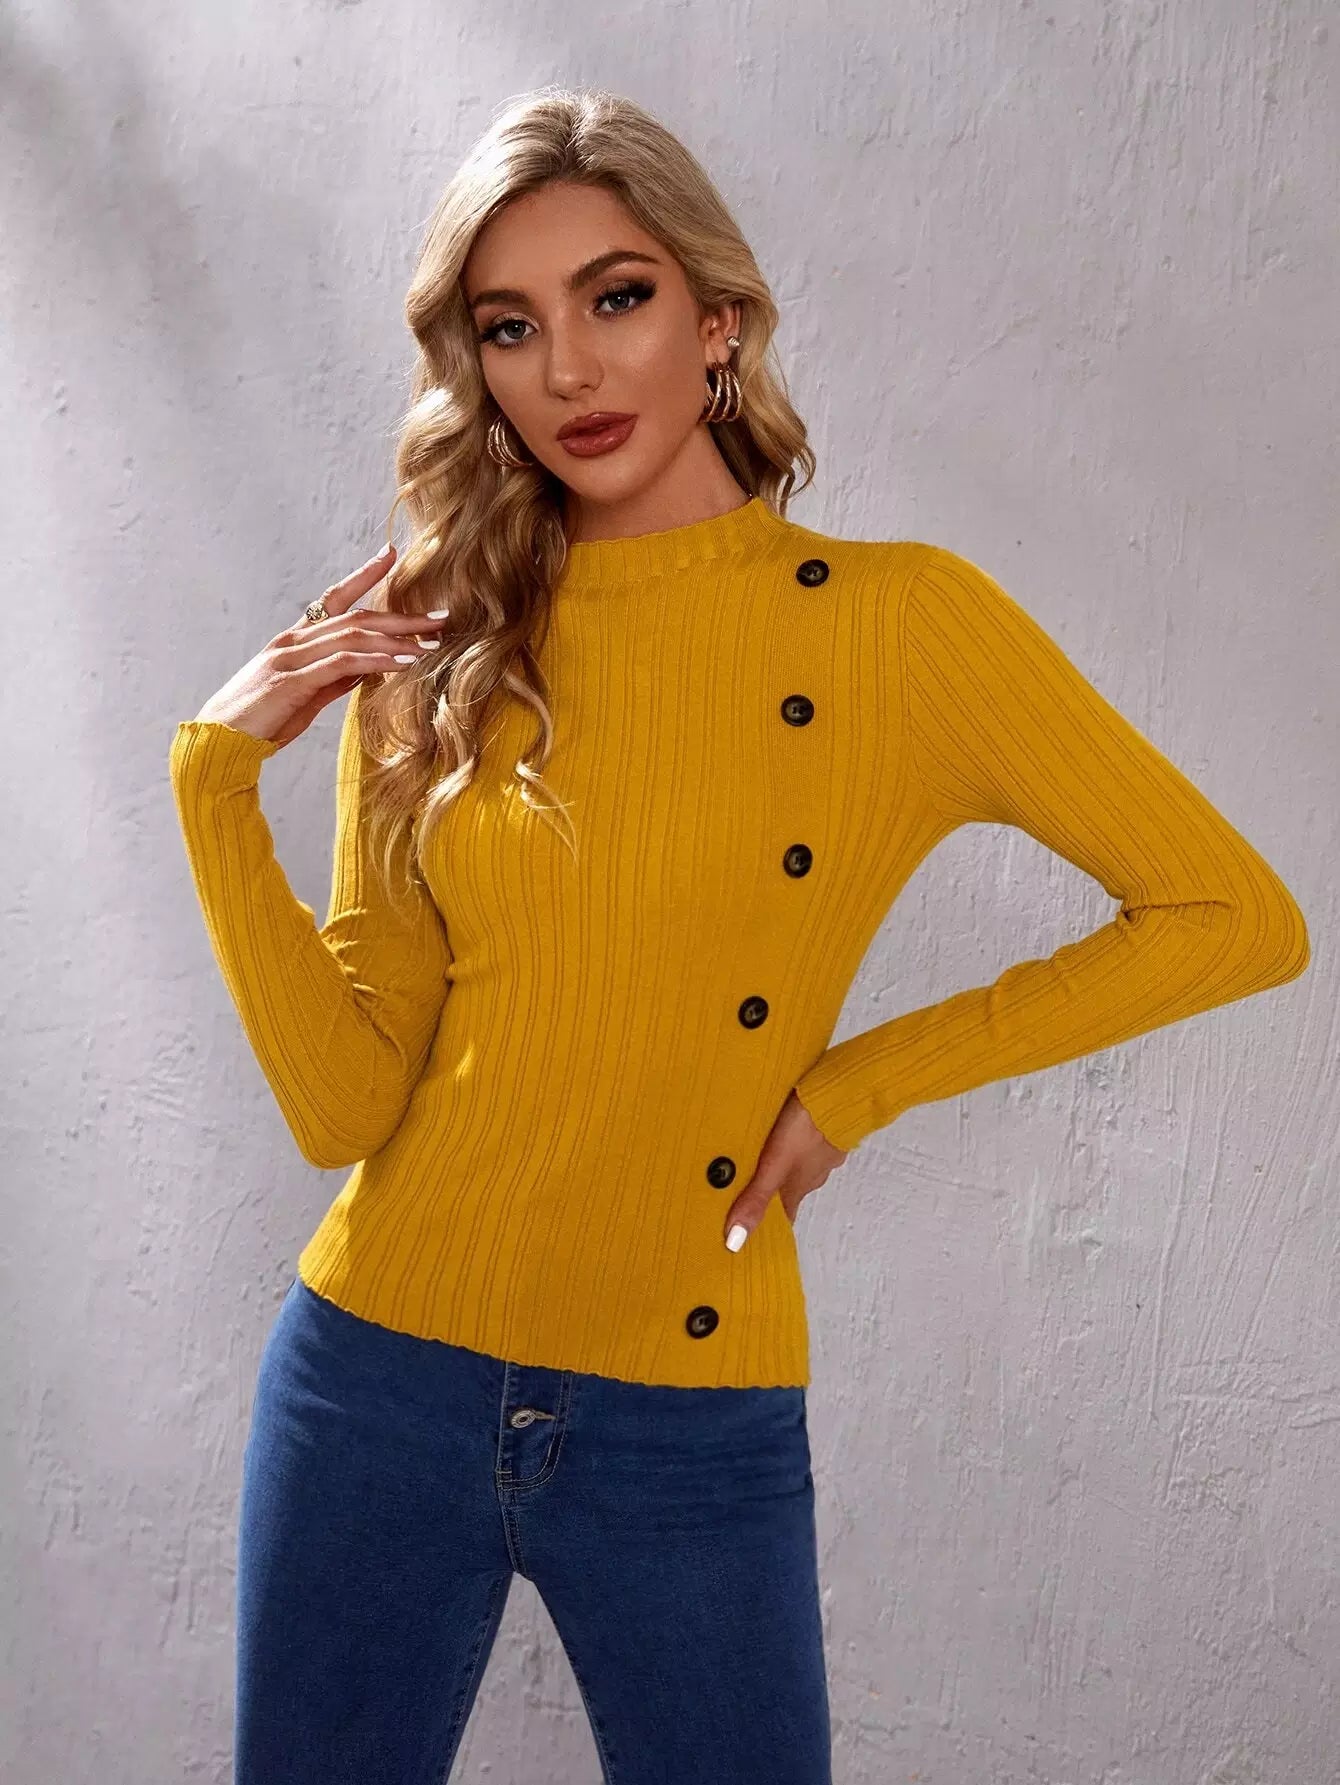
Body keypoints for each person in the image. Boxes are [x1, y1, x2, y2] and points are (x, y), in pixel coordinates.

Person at [168, 86, 1310, 1785]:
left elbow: (1233, 915)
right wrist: (211, 784)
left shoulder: (899, 626)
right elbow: (345, 1108)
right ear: (474, 365)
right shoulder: (438, 647)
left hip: (687, 1420)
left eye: (616, 296)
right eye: (511, 325)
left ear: (717, 318)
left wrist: (862, 1083)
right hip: (373, 1381)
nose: (570, 367)